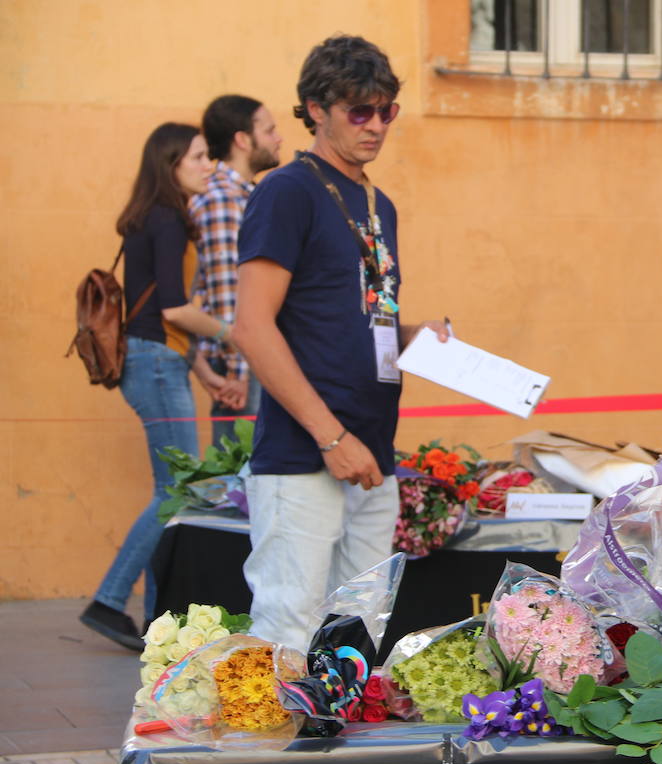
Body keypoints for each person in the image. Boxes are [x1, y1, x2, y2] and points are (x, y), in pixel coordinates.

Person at [233, 35, 448, 652]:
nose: (376, 125)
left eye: (387, 110)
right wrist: (331, 437)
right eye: (360, 110)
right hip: (306, 452)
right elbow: (253, 326)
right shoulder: (287, 190)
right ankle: (274, 751)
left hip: (373, 450)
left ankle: (338, 747)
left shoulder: (380, 203)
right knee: (288, 633)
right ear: (316, 108)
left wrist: (415, 337)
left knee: (357, 632)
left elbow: (357, 319)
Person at [80, 123, 232, 649]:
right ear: (170, 164)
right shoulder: (167, 219)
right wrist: (235, 334)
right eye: (197, 157)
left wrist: (208, 374)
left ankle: (154, 619)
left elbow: (161, 324)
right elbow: (174, 309)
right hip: (154, 365)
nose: (207, 165)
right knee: (179, 491)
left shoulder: (153, 216)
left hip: (155, 359)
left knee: (178, 491)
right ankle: (109, 600)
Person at [191, 94, 284, 446]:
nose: (279, 138)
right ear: (242, 140)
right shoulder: (222, 199)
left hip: (256, 357)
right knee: (235, 488)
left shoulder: (245, 195)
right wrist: (239, 372)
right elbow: (229, 293)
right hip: (242, 364)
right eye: (270, 130)